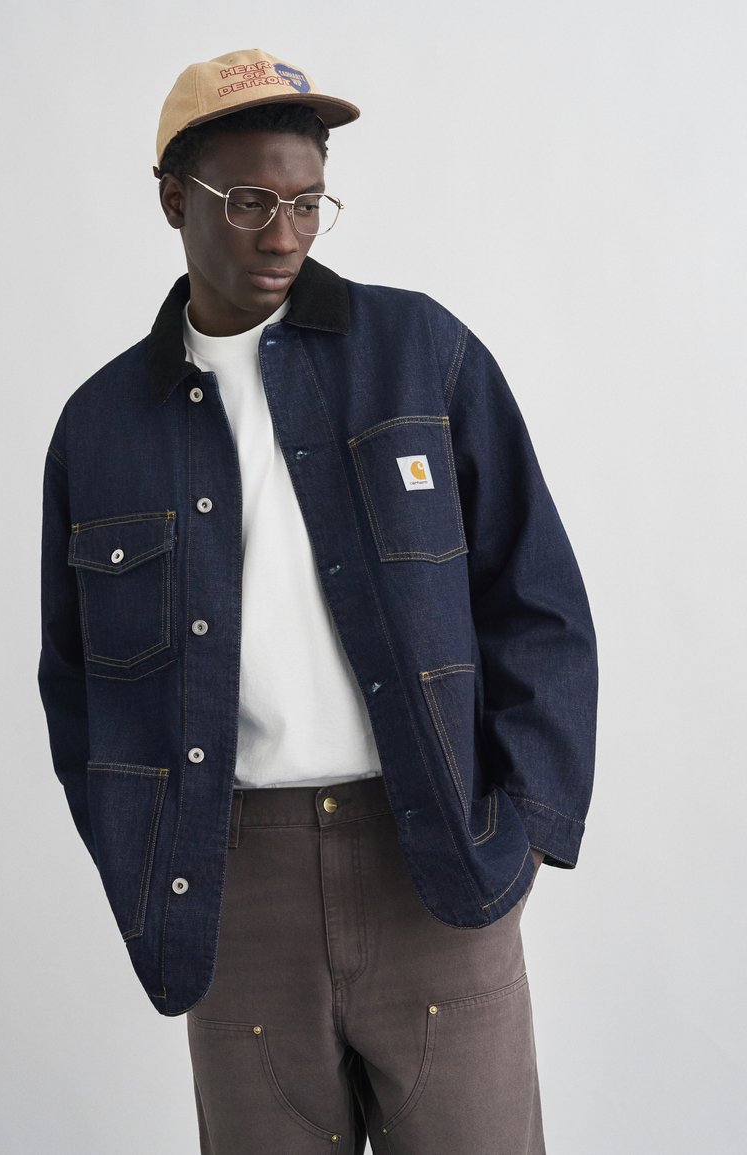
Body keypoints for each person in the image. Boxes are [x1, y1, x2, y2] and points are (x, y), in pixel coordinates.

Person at [39, 48, 597, 1154]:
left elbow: (535, 596)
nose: (284, 234)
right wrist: (142, 856)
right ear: (173, 199)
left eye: (306, 203)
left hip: (433, 864)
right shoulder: (101, 428)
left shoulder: (420, 354)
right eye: (250, 201)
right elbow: (76, 688)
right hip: (231, 886)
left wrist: (526, 829)